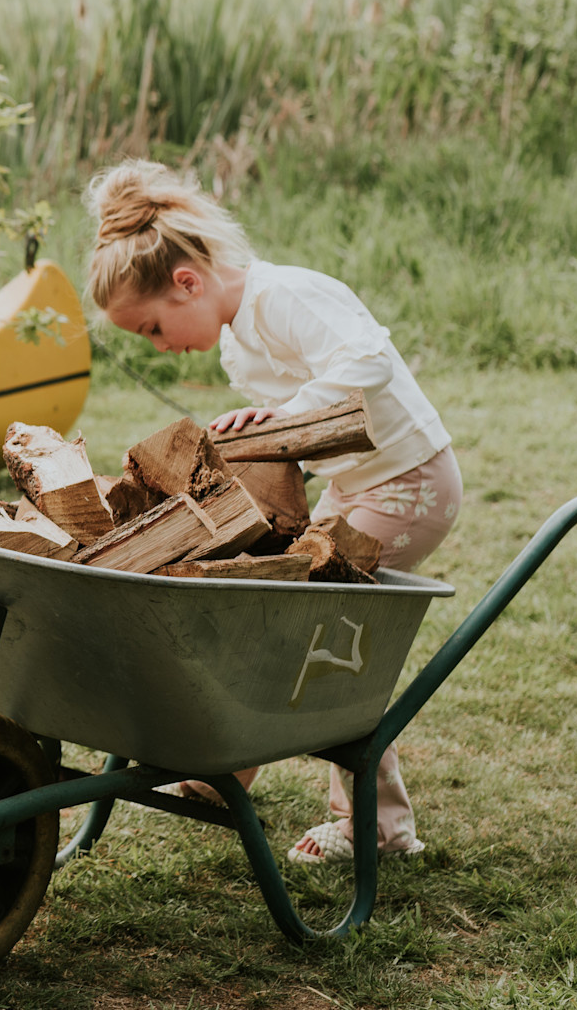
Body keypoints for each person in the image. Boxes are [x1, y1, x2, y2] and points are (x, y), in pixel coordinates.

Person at [86, 159, 458, 865]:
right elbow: (298, 426)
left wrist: (286, 412)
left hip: (411, 480)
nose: (161, 347)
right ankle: (237, 763)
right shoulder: (237, 342)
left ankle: (376, 826)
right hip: (356, 486)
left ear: (188, 282)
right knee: (282, 608)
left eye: (155, 328)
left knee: (325, 632)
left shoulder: (283, 295)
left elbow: (368, 360)